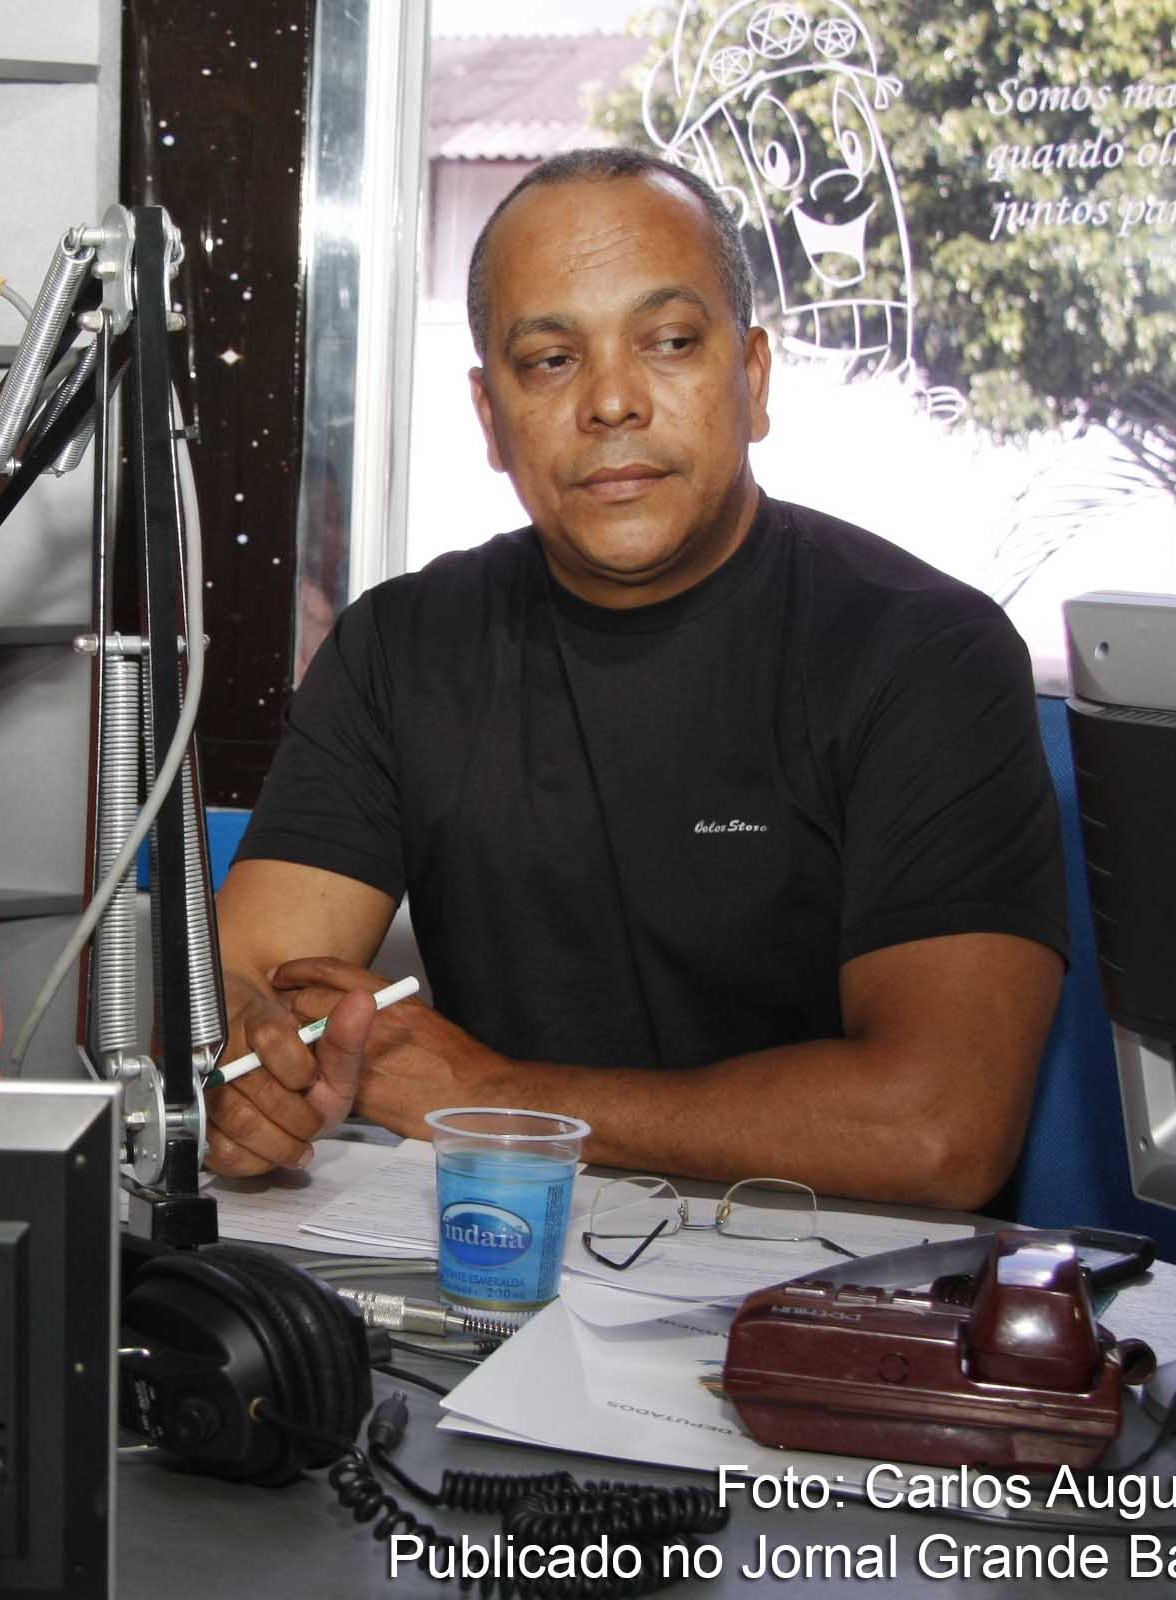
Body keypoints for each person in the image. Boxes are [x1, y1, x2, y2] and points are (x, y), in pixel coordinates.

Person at [208, 149, 1066, 1211]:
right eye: (550, 360)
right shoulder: (401, 647)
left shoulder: (925, 652)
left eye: (668, 343)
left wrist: (497, 1099)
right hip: (502, 1251)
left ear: (753, 378)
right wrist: (249, 1073)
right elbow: (239, 982)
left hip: (829, 1277)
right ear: (491, 417)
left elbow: (939, 1126)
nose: (612, 401)